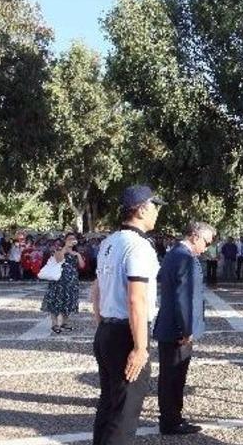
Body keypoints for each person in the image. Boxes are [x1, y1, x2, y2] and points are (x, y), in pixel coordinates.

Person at [91, 185, 164, 445]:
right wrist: (140, 347)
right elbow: (137, 298)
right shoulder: (139, 246)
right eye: (155, 206)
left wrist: (102, 324)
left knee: (109, 405)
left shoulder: (109, 242)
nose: (157, 212)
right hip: (126, 333)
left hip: (108, 331)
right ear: (142, 208)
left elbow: (96, 291)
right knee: (124, 414)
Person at [153, 222, 215, 435]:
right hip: (177, 330)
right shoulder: (184, 258)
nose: (206, 248)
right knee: (174, 377)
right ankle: (171, 421)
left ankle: (170, 417)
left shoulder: (174, 253)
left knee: (170, 376)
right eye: (206, 242)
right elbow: (184, 297)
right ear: (195, 236)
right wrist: (186, 330)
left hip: (171, 326)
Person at [41, 233, 85, 333]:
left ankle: (65, 322)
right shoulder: (59, 250)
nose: (72, 240)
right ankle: (54, 323)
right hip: (59, 280)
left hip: (71, 281)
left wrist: (77, 255)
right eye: (69, 239)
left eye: (73, 239)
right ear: (65, 240)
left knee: (68, 301)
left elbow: (82, 266)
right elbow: (59, 259)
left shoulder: (76, 252)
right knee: (56, 301)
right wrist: (65, 248)